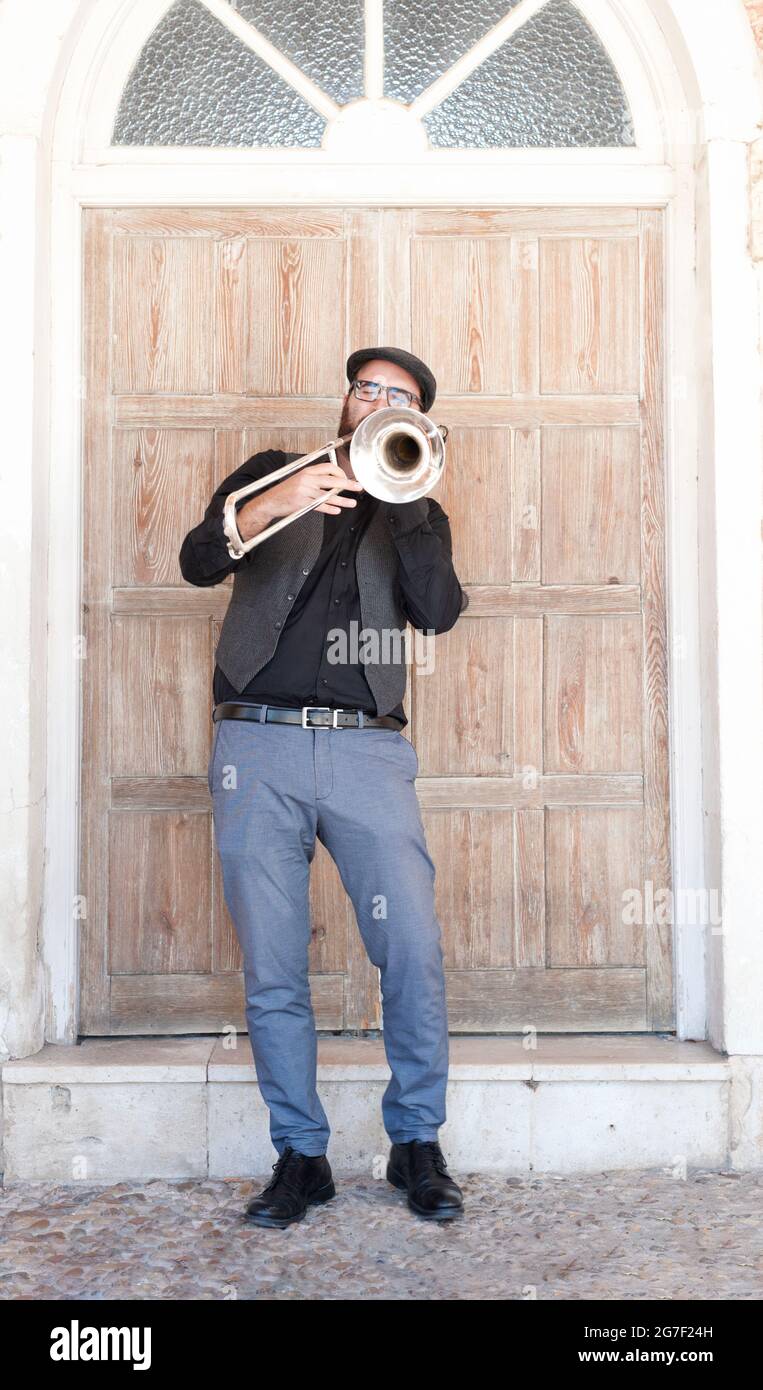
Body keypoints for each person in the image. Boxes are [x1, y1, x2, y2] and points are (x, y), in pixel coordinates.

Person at [179, 347, 469, 1228]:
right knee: (273, 966)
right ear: (347, 400)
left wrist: (406, 502)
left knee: (411, 954)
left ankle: (415, 1143)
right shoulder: (273, 472)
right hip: (255, 745)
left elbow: (439, 612)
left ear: (418, 420)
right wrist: (280, 502)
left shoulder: (418, 503)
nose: (376, 400)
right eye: (367, 389)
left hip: (366, 755)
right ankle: (300, 1157)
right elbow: (198, 560)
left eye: (399, 397)